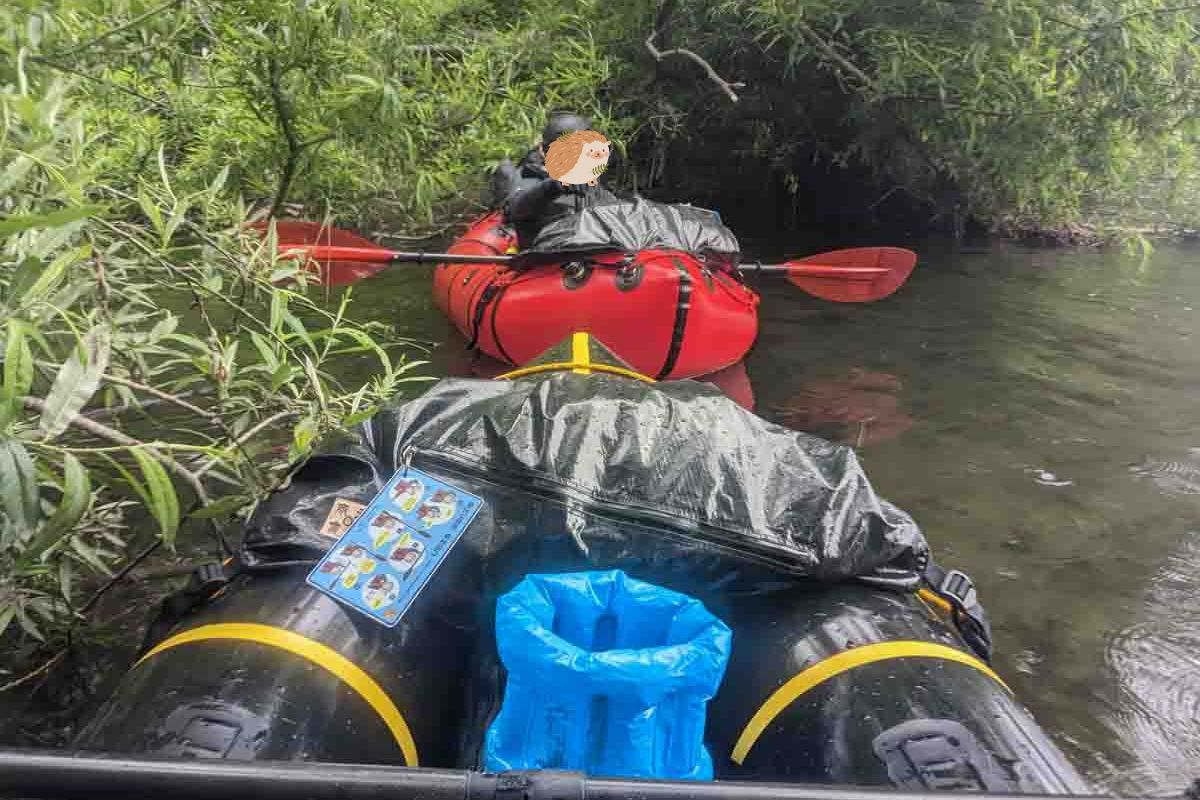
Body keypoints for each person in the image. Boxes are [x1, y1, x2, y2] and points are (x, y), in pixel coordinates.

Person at [493, 113, 619, 249]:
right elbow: (516, 208)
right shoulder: (529, 174)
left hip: (590, 249)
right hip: (545, 257)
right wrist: (552, 186)